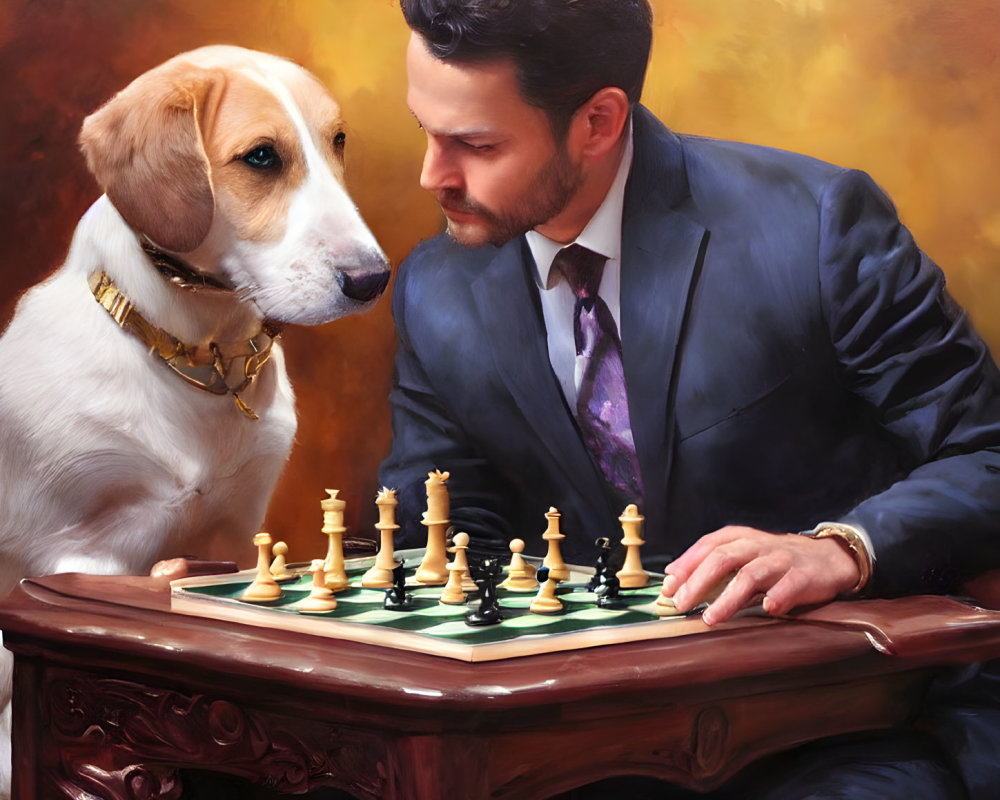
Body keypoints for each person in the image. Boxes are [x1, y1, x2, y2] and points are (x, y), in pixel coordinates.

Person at [379, 1, 1000, 796]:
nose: (432, 176)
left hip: (850, 721)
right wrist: (210, 597)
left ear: (599, 120)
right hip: (587, 735)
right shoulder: (439, 286)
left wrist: (842, 548)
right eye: (425, 131)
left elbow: (986, 452)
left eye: (475, 144)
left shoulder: (814, 227)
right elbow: (440, 529)